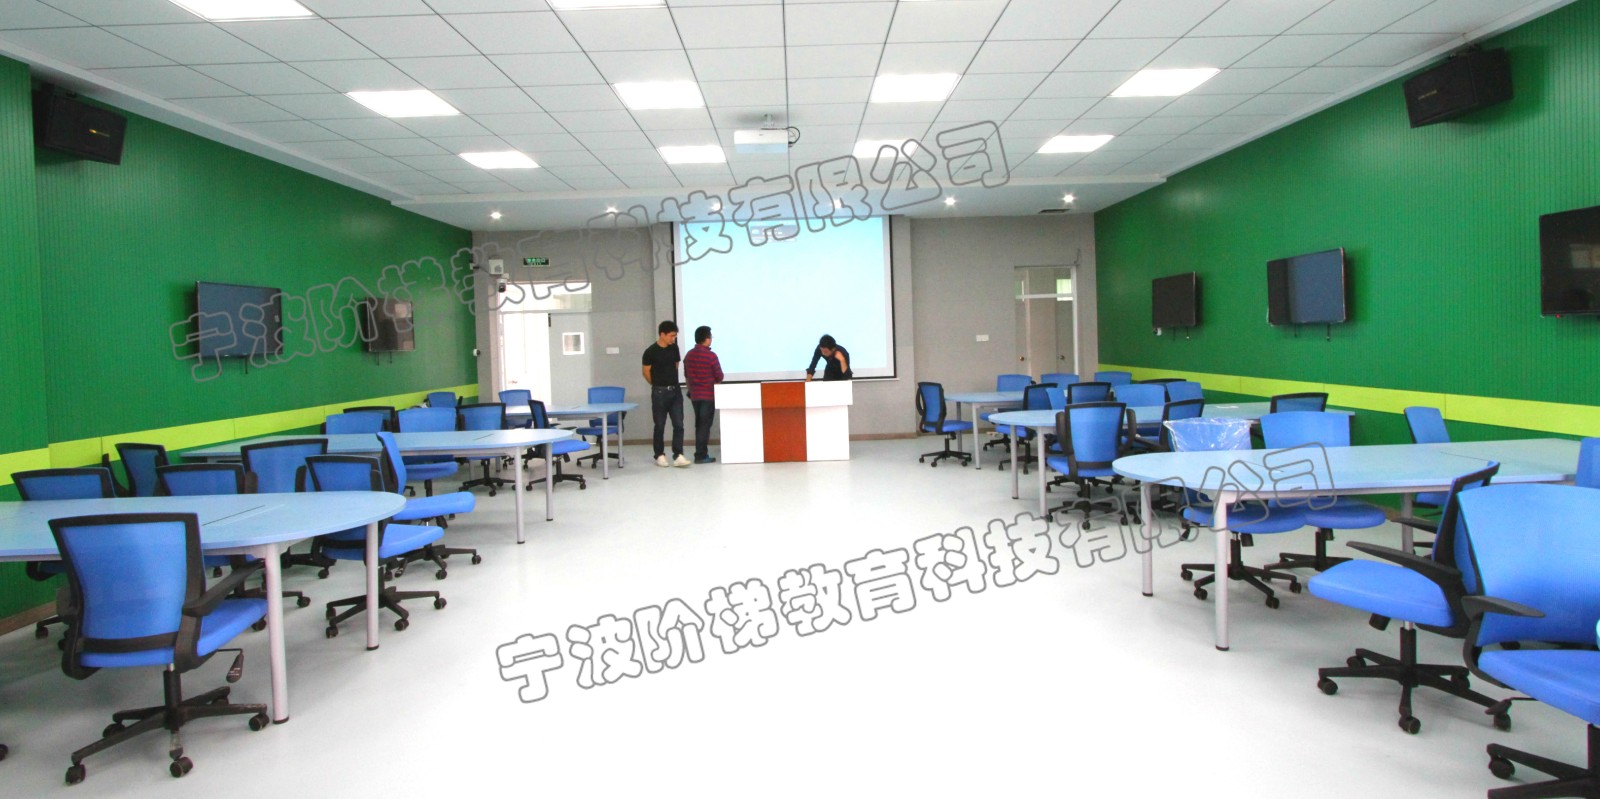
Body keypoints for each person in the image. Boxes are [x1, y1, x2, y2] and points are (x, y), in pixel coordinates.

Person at [641, 320, 689, 467]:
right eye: (671, 336)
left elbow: (676, 365)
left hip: (675, 391)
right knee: (660, 425)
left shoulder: (674, 348)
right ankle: (659, 455)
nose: (673, 339)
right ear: (662, 334)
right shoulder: (650, 352)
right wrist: (657, 384)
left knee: (679, 424)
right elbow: (646, 372)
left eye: (675, 336)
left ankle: (678, 454)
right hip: (659, 393)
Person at [682, 325, 724, 464]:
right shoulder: (711, 356)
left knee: (699, 424)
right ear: (706, 339)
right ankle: (700, 455)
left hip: (695, 395)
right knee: (704, 426)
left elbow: (686, 375)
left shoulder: (689, 355)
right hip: (708, 395)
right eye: (710, 337)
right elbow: (719, 376)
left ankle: (700, 453)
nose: (711, 339)